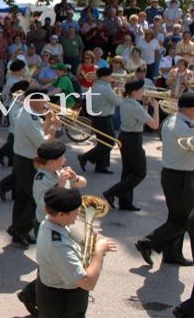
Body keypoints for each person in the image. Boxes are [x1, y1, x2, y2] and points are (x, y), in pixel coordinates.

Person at [17, 140, 86, 317]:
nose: (64, 159)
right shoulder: (41, 179)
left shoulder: (58, 171)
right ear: (52, 161)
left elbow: (82, 183)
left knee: (56, 265)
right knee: (49, 266)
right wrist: (61, 185)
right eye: (61, 157)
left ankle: (34, 294)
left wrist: (75, 178)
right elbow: (44, 207)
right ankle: (31, 295)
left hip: (63, 223)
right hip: (47, 225)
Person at [35, 187, 117, 318]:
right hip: (63, 302)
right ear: (61, 214)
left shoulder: (52, 221)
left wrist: (90, 241)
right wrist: (98, 252)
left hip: (60, 293)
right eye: (75, 211)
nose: (79, 212)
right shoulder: (57, 245)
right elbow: (87, 283)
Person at [135, 92, 194, 268]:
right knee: (184, 220)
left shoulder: (181, 121)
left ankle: (172, 254)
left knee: (177, 217)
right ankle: (147, 243)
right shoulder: (179, 126)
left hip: (179, 175)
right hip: (180, 177)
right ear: (191, 110)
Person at [8, 87, 60, 247]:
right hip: (27, 161)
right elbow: (43, 144)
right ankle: (18, 229)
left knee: (23, 197)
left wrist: (49, 122)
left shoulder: (30, 114)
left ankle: (20, 232)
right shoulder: (28, 118)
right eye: (43, 98)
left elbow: (39, 133)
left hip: (24, 158)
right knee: (37, 199)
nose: (46, 101)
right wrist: (53, 127)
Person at [103, 79, 159, 212]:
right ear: (134, 91)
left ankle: (125, 202)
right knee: (139, 173)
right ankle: (111, 192)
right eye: (141, 90)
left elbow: (141, 119)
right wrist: (156, 108)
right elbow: (155, 125)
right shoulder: (135, 106)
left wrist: (145, 105)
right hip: (133, 139)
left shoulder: (126, 102)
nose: (143, 92)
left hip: (125, 137)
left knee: (128, 172)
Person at [78, 67, 121, 174]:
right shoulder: (104, 88)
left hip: (99, 117)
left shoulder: (99, 85)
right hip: (103, 118)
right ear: (104, 76)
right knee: (109, 143)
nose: (112, 78)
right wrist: (122, 93)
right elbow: (117, 102)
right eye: (110, 76)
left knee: (103, 142)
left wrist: (115, 88)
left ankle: (101, 166)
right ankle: (85, 157)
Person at [0, 81, 30, 201]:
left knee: (20, 169)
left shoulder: (20, 103)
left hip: (18, 137)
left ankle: (14, 191)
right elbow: (18, 121)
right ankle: (3, 186)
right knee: (22, 169)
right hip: (18, 137)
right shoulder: (17, 104)